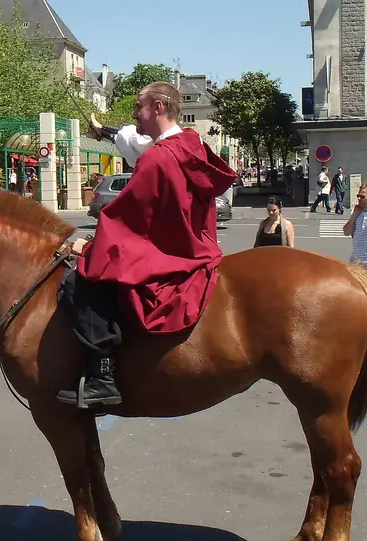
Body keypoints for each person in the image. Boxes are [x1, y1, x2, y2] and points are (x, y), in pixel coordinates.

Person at [55, 81, 237, 408]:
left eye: (138, 107)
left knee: (81, 281)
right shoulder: (191, 145)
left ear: (158, 107)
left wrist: (92, 246)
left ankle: (103, 378)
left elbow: (128, 217)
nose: (134, 115)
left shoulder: (158, 158)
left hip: (171, 254)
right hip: (194, 245)